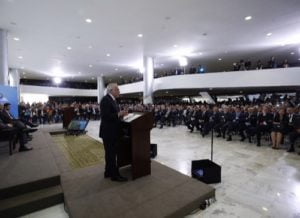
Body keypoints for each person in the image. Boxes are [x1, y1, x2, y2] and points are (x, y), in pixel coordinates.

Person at [99, 83, 128, 182]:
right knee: (111, 154)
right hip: (109, 132)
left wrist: (121, 115)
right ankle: (115, 175)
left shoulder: (112, 100)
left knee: (110, 154)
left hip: (112, 131)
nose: (119, 91)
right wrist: (119, 113)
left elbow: (114, 116)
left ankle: (108, 172)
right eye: (117, 89)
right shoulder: (105, 100)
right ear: (112, 90)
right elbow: (105, 116)